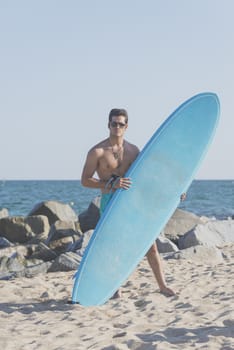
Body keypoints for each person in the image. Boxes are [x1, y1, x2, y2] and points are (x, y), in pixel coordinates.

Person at [81, 108, 185, 298]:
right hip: (110, 201)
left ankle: (162, 286)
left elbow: (149, 177)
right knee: (114, 247)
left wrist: (174, 191)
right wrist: (111, 183)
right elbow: (85, 180)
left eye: (121, 124)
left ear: (126, 126)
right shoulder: (97, 152)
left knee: (149, 244)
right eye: (114, 123)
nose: (117, 127)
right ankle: (114, 288)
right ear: (108, 125)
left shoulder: (133, 150)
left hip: (132, 201)